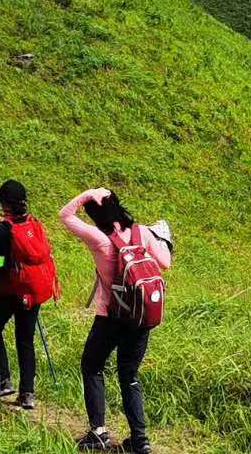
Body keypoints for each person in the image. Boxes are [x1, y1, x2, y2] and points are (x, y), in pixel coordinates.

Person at [60, 188, 172, 454]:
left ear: (96, 213)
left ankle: (98, 433)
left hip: (110, 317)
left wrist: (88, 194)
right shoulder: (142, 232)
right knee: (129, 375)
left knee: (92, 366)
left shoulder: (99, 238)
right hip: (141, 318)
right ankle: (140, 440)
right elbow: (165, 262)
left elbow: (65, 215)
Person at [0, 179, 41, 411]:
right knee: (25, 340)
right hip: (32, 291)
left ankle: (3, 379)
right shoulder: (33, 223)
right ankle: (27, 395)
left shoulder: (3, 229)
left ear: (4, 203)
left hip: (9, 291)